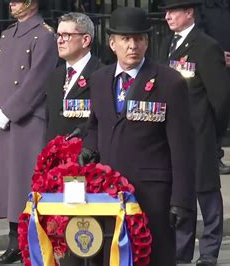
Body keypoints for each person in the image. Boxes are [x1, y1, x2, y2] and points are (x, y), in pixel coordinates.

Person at [79, 7, 196, 266]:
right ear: (112, 43)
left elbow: (183, 147)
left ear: (147, 41)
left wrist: (182, 201)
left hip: (152, 197)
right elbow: (95, 125)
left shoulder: (169, 82)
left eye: (139, 38)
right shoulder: (99, 80)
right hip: (108, 196)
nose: (133, 45)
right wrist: (88, 147)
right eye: (125, 39)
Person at [158, 0, 230, 264]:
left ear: (189, 13)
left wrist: (214, 134)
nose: (167, 16)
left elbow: (221, 98)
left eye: (173, 11)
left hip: (200, 133)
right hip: (176, 134)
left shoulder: (206, 46)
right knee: (182, 192)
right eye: (166, 12)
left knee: (207, 193)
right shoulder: (171, 44)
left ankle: (209, 252)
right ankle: (181, 249)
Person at [0, 0, 58, 264]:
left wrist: (10, 111)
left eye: (17, 0)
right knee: (7, 183)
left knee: (23, 183)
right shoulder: (7, 34)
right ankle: (13, 242)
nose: (11, 4)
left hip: (27, 119)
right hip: (4, 119)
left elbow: (38, 80)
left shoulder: (44, 35)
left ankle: (28, 243)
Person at [197, 0, 230, 175]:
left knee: (222, 114)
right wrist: (217, 54)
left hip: (225, 71)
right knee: (206, 114)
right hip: (205, 70)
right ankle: (209, 159)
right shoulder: (201, 7)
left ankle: (216, 156)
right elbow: (199, 34)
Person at [46, 12, 102, 142]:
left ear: (85, 40)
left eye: (66, 35)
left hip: (86, 156)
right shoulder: (54, 75)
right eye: (58, 35)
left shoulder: (101, 75)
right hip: (55, 156)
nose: (59, 40)